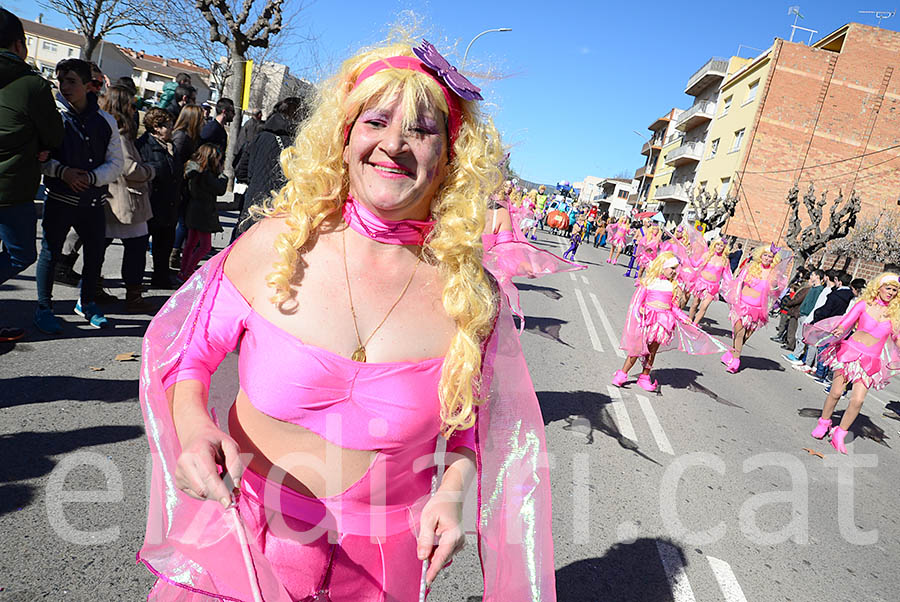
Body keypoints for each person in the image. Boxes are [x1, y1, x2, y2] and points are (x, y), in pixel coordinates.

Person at [137, 37, 555, 601]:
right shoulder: (277, 245)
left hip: (382, 567)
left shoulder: (471, 295)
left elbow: (465, 432)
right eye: (376, 121)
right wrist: (193, 429)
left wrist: (451, 492)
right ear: (345, 133)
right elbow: (184, 353)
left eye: (422, 130)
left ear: (452, 153)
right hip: (242, 543)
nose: (394, 145)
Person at [35, 58, 123, 333]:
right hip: (59, 200)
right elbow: (38, 158)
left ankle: (86, 302)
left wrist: (92, 177)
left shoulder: (105, 121)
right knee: (50, 253)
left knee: (95, 254)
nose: (64, 86)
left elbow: (116, 163)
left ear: (88, 86)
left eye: (71, 81)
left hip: (93, 202)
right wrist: (62, 172)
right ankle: (43, 308)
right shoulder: (52, 116)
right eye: (61, 80)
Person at [0, 8, 64, 342]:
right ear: (19, 45)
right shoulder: (31, 85)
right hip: (11, 188)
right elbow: (55, 135)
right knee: (20, 253)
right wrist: (38, 143)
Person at [806, 273, 900, 453]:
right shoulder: (864, 305)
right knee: (835, 392)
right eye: (888, 288)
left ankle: (840, 433)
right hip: (849, 353)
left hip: (870, 361)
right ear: (878, 288)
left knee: (857, 400)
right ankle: (824, 422)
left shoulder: (895, 317)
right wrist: (840, 329)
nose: (890, 292)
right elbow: (846, 322)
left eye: (894, 290)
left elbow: (897, 339)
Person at [611, 252, 724, 391]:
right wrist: (640, 311)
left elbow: (673, 307)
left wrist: (684, 317)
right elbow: (637, 302)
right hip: (648, 321)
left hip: (662, 323)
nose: (674, 271)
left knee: (652, 351)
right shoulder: (649, 282)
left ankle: (645, 376)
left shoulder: (672, 286)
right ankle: (623, 373)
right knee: (637, 349)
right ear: (663, 267)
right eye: (672, 268)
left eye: (676, 268)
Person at [100, 85, 156, 312]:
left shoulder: (109, 130)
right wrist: (150, 171)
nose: (135, 110)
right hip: (125, 200)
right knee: (135, 249)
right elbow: (130, 168)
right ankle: (133, 297)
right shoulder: (120, 135)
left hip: (115, 198)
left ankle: (93, 289)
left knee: (101, 246)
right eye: (132, 105)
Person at [232, 96, 309, 241]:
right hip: (281, 215)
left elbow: (240, 171)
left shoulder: (259, 137)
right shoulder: (300, 146)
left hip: (251, 210)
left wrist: (255, 180)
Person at [720, 244, 792, 373]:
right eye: (765, 255)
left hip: (757, 310)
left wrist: (776, 285)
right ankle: (736, 362)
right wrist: (734, 300)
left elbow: (775, 292)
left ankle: (731, 354)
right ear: (760, 255)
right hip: (741, 306)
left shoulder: (774, 274)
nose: (767, 258)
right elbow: (738, 283)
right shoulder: (750, 267)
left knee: (745, 337)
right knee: (739, 333)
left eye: (770, 257)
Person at [136, 108, 180, 289]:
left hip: (169, 206)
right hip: (151, 204)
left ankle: (161, 277)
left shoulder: (171, 147)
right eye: (168, 126)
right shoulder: (144, 146)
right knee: (139, 248)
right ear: (156, 127)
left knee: (165, 245)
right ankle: (135, 284)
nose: (171, 129)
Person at [178, 143, 227, 280]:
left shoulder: (195, 170)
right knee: (205, 246)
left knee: (191, 243)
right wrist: (222, 174)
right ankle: (188, 272)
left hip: (193, 209)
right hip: (204, 212)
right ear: (210, 158)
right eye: (218, 158)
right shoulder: (205, 174)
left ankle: (183, 271)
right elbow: (220, 189)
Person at [168, 104, 205, 269]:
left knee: (184, 223)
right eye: (201, 118)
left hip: (185, 187)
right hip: (180, 187)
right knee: (182, 223)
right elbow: (176, 164)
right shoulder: (181, 138)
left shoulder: (191, 137)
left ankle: (175, 253)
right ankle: (173, 254)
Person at [688, 237, 731, 325]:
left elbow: (726, 275)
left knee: (704, 306)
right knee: (695, 304)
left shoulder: (725, 260)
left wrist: (732, 284)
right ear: (714, 245)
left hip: (713, 287)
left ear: (724, 248)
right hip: (701, 283)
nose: (719, 247)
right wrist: (690, 256)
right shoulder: (707, 255)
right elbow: (695, 264)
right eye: (717, 245)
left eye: (721, 246)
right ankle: (689, 320)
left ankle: (694, 324)